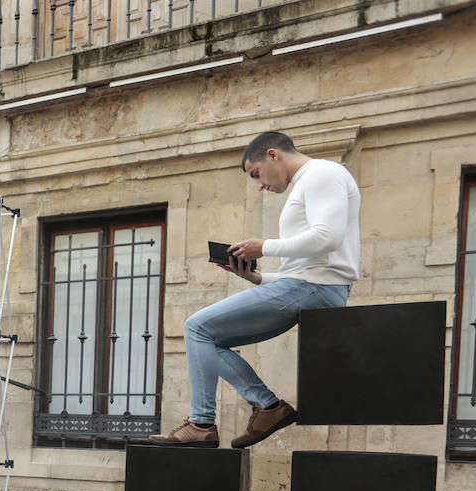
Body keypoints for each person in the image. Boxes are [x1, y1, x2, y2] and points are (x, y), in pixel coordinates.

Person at [148, 130, 361, 448]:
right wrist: (257, 278)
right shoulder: (311, 180)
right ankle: (267, 408)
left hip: (315, 287)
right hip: (310, 286)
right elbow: (305, 269)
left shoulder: (322, 173)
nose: (260, 184)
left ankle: (204, 423)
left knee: (196, 327)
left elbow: (327, 237)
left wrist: (263, 247)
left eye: (256, 174)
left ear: (273, 155)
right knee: (207, 341)